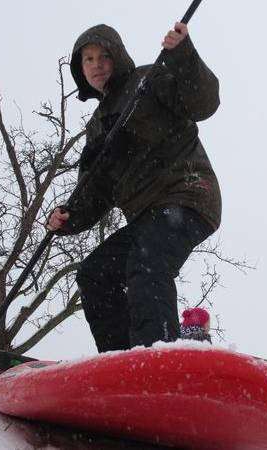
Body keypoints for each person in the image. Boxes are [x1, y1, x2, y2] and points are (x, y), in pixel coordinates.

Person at [47, 22, 221, 353]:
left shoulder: (148, 80)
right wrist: (68, 219)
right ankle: (121, 361)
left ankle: (158, 354)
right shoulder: (97, 127)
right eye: (88, 59)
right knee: (95, 273)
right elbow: (95, 192)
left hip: (187, 194)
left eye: (103, 56)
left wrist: (184, 55)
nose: (96, 65)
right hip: (146, 216)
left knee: (147, 259)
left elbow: (204, 102)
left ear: (119, 57)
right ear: (79, 69)